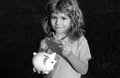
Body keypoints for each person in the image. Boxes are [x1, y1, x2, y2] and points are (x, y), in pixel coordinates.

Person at [38, 0, 92, 78]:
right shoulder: (45, 42)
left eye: (63, 18)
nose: (58, 22)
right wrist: (38, 66)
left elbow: (83, 70)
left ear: (73, 20)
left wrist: (70, 55)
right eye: (54, 17)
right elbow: (42, 66)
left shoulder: (80, 41)